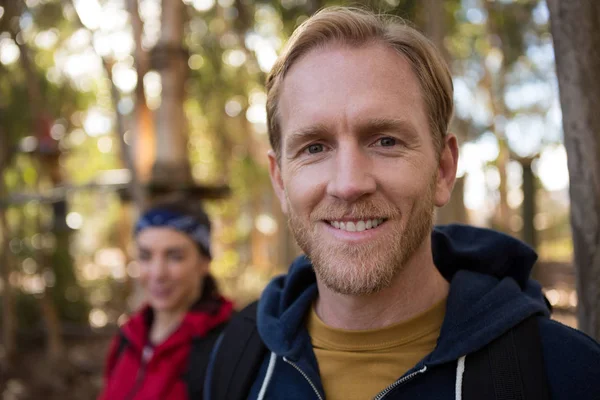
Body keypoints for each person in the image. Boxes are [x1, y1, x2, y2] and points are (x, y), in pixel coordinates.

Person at [204, 6, 600, 400]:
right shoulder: (238, 359)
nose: (348, 184)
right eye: (314, 147)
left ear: (443, 170)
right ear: (280, 181)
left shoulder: (567, 374)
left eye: (385, 141)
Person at [99, 197, 233, 400]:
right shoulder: (127, 337)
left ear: (204, 262)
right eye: (145, 256)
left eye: (174, 257)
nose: (158, 273)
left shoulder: (228, 344)